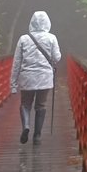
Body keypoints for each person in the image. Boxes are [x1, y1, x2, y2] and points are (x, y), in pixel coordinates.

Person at [10, 11, 61, 146]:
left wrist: (13, 84)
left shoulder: (23, 39)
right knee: (41, 105)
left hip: (27, 77)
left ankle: (26, 125)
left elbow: (17, 62)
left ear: (32, 22)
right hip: (45, 78)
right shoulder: (52, 38)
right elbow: (57, 57)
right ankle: (37, 136)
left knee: (26, 104)